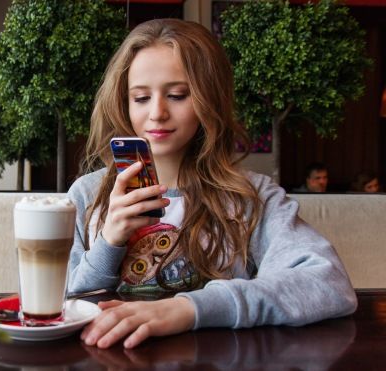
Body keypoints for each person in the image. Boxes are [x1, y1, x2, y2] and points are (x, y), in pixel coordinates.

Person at [66, 19, 356, 349]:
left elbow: (329, 283)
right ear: (124, 102)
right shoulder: (88, 195)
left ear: (209, 99)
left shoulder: (251, 197)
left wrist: (189, 308)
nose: (157, 113)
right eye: (141, 98)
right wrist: (108, 244)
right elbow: (55, 308)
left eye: (177, 95)